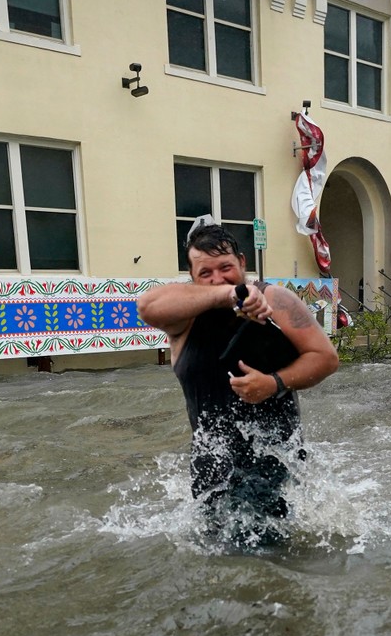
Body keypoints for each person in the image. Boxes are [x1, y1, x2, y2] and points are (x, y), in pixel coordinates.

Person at [137, 220, 339, 546]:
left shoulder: (277, 301)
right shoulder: (183, 320)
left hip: (272, 457)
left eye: (226, 268)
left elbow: (326, 357)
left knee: (266, 558)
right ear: (192, 277)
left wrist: (274, 383)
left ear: (243, 263)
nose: (217, 277)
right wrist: (226, 294)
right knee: (216, 559)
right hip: (211, 466)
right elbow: (146, 307)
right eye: (206, 273)